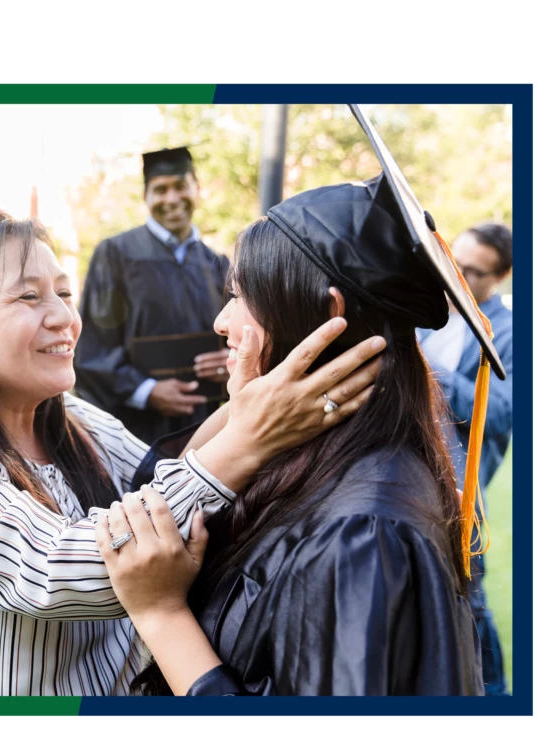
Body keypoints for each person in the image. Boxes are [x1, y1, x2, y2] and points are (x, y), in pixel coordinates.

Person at [0, 208, 383, 696]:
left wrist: (254, 394)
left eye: (65, 292)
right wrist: (250, 437)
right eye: (29, 297)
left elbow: (166, 478)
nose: (64, 318)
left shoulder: (73, 421)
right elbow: (66, 569)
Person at [96, 106, 506, 696]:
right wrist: (250, 408)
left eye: (242, 297)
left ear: (327, 319)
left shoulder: (364, 540)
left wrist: (162, 614)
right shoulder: (319, 461)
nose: (220, 320)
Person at [74, 146, 232, 445]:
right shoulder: (116, 255)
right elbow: (94, 348)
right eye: (160, 189)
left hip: (204, 433)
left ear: (197, 189)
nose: (171, 199)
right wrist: (146, 391)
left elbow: (236, 340)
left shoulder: (217, 264)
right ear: (146, 196)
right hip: (136, 434)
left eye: (181, 187)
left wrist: (230, 365)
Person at [417, 222, 513, 696]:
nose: (457, 275)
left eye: (473, 272)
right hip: (411, 475)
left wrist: (428, 368)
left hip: (462, 486)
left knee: (469, 601)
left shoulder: (512, 331)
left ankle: (496, 699)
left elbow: (501, 413)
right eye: (454, 261)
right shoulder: (427, 312)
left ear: (501, 278)